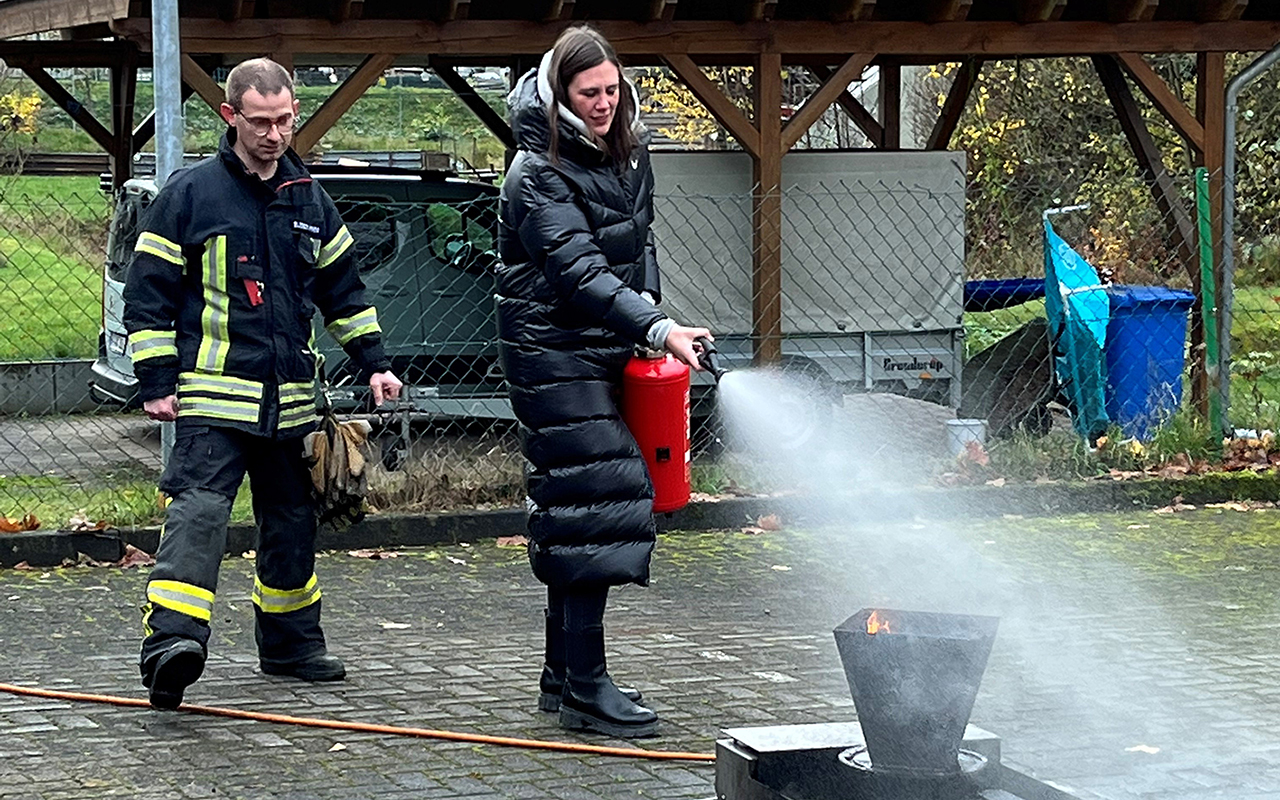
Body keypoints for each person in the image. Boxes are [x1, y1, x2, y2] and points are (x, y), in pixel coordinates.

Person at [124, 57, 403, 710]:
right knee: (198, 519)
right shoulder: (190, 195)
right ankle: (171, 648)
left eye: (285, 121)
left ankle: (290, 645)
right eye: (261, 122)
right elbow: (147, 294)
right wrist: (157, 380)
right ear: (230, 116)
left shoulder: (309, 198)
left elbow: (344, 292)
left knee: (292, 525)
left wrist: (375, 362)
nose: (275, 134)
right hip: (212, 403)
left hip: (292, 405)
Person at [497, 25, 713, 738]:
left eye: (612, 90)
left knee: (578, 505)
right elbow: (580, 273)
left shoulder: (629, 147)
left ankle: (562, 679)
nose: (602, 104)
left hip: (607, 342)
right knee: (597, 497)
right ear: (559, 92)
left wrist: (652, 315)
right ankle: (587, 686)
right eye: (589, 93)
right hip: (550, 348)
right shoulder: (535, 173)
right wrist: (656, 330)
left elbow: (636, 241)